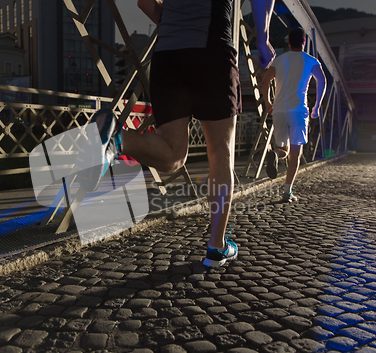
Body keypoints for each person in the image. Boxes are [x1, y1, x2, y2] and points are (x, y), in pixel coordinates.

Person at [99, 0, 276, 268]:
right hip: (213, 49)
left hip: (168, 55)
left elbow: (144, 2)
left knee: (173, 155)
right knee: (220, 153)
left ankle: (119, 138)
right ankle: (216, 247)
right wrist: (262, 39)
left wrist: (174, 21)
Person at [262, 27, 326, 202]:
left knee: (283, 148)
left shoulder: (279, 60)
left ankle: (275, 154)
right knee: (295, 153)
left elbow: (265, 80)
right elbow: (322, 80)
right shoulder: (311, 60)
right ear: (304, 42)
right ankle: (287, 192)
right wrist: (317, 105)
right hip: (298, 110)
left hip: (279, 110)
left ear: (288, 42)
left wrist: (268, 102)